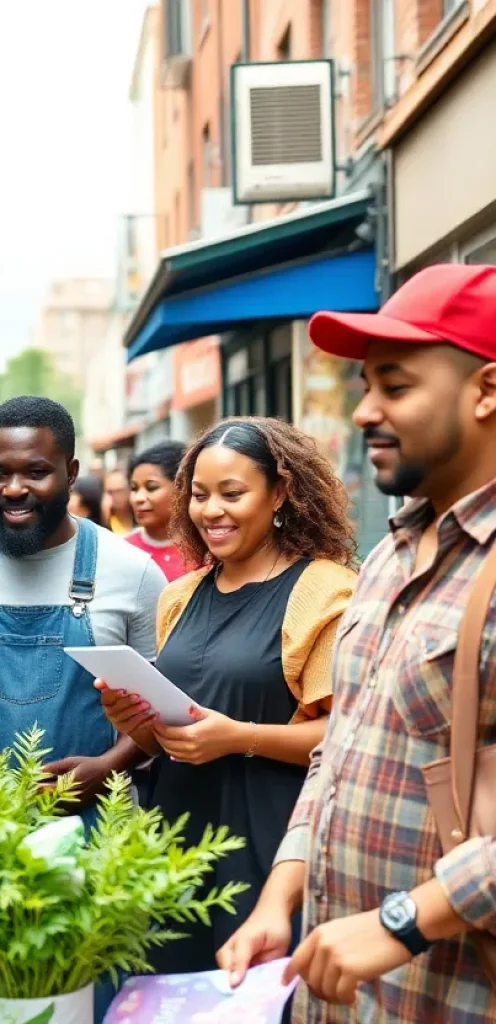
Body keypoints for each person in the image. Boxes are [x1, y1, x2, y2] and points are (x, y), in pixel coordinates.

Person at [219, 264, 496, 1023]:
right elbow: (339, 751)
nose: (366, 409)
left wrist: (403, 922)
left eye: (396, 386)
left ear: (487, 391)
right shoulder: (385, 557)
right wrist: (283, 893)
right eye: (366, 385)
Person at [0, 396, 167, 1024]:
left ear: (71, 473)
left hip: (91, 836)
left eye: (35, 472)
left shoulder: (130, 574)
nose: (12, 489)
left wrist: (109, 764)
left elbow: (164, 712)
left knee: (88, 998)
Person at [100, 418, 357, 979]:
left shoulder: (324, 591)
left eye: (232, 494)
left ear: (280, 494)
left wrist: (239, 738)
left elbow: (345, 738)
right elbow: (177, 735)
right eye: (199, 495)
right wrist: (136, 721)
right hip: (177, 840)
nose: (211, 511)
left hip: (269, 838)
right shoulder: (179, 596)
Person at [125, 441, 189, 581]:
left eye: (151, 487)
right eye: (134, 489)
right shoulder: (122, 551)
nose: (138, 498)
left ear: (181, 488)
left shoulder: (206, 551)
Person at [103, 466, 134, 535]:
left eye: (119, 491)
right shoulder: (103, 522)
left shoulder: (140, 517)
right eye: (110, 492)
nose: (115, 496)